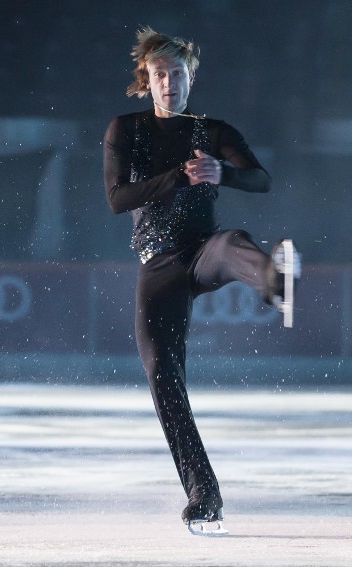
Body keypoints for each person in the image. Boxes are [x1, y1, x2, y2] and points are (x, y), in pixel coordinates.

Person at [102, 27, 299, 535]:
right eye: (160, 75)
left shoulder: (213, 131)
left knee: (234, 241)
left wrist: (221, 174)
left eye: (178, 74)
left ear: (191, 77)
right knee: (162, 375)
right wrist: (179, 177)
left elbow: (260, 178)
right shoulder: (125, 129)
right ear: (147, 80)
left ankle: (274, 283)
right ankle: (203, 494)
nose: (170, 83)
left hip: (203, 249)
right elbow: (118, 199)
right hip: (159, 263)